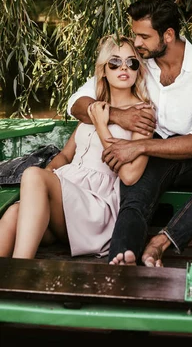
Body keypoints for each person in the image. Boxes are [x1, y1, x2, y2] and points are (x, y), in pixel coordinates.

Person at [67, 0, 192, 267]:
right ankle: (121, 259)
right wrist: (121, 117)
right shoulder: (135, 60)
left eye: (144, 36)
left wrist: (139, 146)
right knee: (134, 200)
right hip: (152, 159)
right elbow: (77, 104)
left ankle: (163, 241)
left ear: (168, 35)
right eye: (135, 35)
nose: (137, 43)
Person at [0, 35, 152, 259]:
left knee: (33, 174)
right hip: (66, 196)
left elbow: (130, 176)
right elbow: (65, 155)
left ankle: (23, 268)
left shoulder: (142, 114)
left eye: (132, 62)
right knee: (14, 211)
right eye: (115, 62)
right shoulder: (93, 106)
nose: (124, 68)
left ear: (138, 69)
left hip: (95, 206)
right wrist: (45, 181)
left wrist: (102, 125)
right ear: (103, 70)